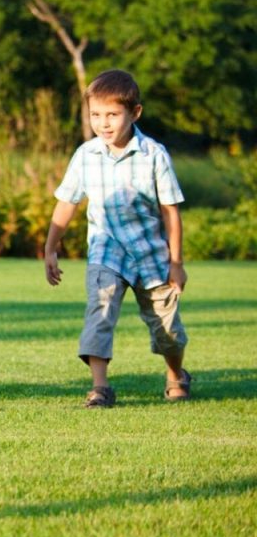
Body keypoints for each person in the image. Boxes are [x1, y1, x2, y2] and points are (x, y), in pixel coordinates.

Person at [44, 69, 190, 408]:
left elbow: (171, 212)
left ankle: (176, 374)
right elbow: (67, 203)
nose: (103, 123)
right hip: (106, 251)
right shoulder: (85, 155)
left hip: (151, 255)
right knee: (100, 310)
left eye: (112, 114)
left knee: (167, 331)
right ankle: (100, 387)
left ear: (134, 112)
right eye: (96, 114)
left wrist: (176, 262)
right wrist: (51, 248)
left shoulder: (154, 154)